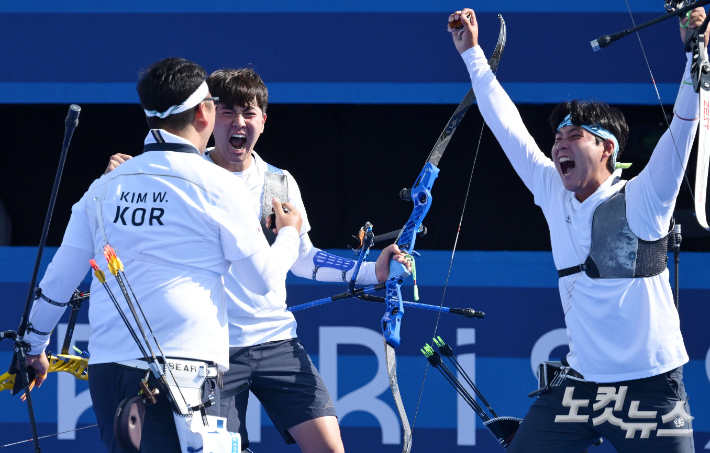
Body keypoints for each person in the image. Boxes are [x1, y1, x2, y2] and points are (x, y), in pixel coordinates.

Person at [105, 67, 411, 453]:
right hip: (210, 352)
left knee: (331, 450)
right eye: (228, 111)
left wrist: (374, 271)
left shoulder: (279, 183)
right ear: (209, 117)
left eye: (249, 113)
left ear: (263, 122)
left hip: (277, 342)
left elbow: (304, 258)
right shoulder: (181, 178)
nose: (239, 122)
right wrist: (124, 179)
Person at [447, 7, 703, 453]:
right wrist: (472, 54)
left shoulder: (646, 196)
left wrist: (694, 55)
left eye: (575, 135)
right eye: (557, 137)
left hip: (653, 390)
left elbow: (683, 127)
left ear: (608, 147)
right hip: (581, 388)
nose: (559, 143)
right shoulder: (553, 190)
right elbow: (506, 125)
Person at [22, 57, 304, 453]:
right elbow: (263, 282)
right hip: (179, 375)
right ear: (205, 113)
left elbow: (58, 280)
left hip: (109, 374)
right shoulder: (221, 187)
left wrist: (33, 346)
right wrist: (289, 236)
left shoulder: (104, 188)